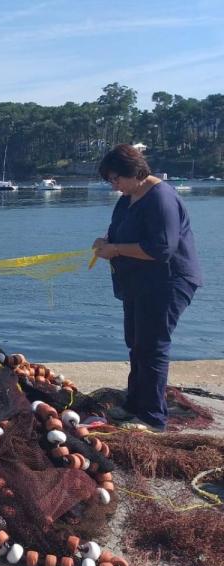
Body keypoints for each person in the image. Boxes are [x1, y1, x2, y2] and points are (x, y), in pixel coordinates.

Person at [92, 144, 202, 431]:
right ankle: (135, 403)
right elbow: (118, 232)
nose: (114, 186)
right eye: (110, 181)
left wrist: (115, 249)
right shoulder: (127, 198)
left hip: (168, 281)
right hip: (138, 283)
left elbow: (162, 248)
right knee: (135, 342)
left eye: (117, 179)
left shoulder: (161, 198)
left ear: (136, 172)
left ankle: (153, 418)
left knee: (152, 346)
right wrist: (104, 242)